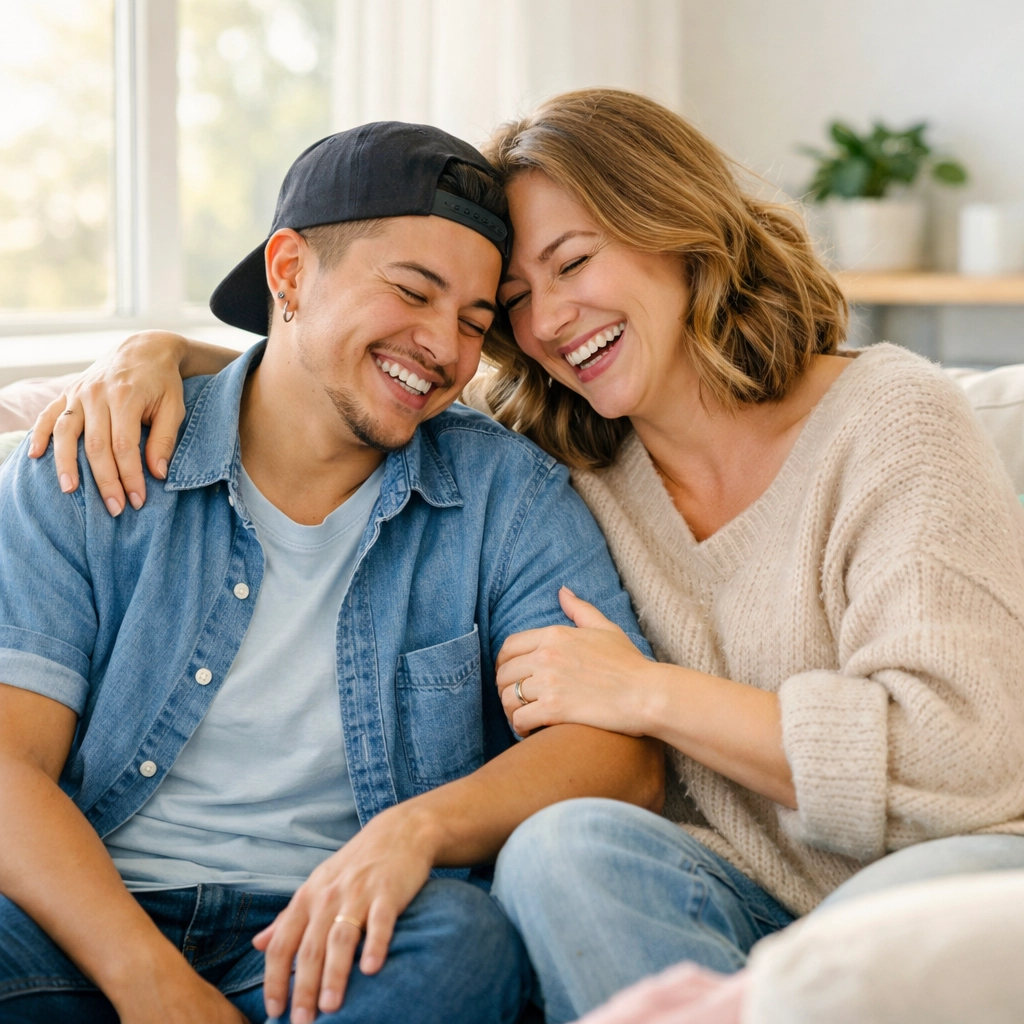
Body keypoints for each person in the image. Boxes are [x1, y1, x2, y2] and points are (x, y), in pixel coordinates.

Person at [26, 90, 1024, 1023]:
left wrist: (646, 694)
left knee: (832, 961)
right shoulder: (579, 450)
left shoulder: (886, 421)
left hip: (929, 859)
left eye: (573, 264)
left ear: (676, 232)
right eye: (512, 302)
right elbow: (339, 377)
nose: (542, 324)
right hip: (714, 888)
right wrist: (157, 353)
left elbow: (967, 759)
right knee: (560, 853)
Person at [0, 121, 665, 1024]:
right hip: (85, 925)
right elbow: (8, 765)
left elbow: (618, 758)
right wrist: (153, 985)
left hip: (335, 938)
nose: (442, 347)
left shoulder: (507, 496)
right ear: (289, 275)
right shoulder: (87, 459)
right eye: (412, 291)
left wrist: (416, 830)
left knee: (465, 943)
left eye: (475, 321)